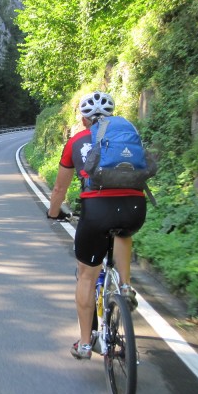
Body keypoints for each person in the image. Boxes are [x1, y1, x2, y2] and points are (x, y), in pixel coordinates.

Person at [46, 91, 147, 360]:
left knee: (86, 276)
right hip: (135, 207)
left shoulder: (76, 142)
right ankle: (125, 287)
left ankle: (84, 344)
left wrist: (53, 213)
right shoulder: (127, 134)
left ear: (83, 119)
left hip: (97, 210)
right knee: (123, 231)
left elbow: (59, 189)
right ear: (112, 115)